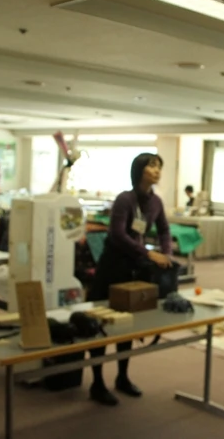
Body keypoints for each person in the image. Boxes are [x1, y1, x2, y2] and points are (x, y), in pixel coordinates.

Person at [87, 153, 172, 406]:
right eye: (151, 165)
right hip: (111, 267)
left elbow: (165, 229)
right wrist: (148, 252)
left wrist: (166, 253)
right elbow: (117, 234)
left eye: (159, 166)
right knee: (101, 324)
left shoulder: (155, 201)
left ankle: (122, 377)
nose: (156, 171)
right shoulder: (125, 199)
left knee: (127, 325)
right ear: (139, 170)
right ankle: (97, 382)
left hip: (134, 269)